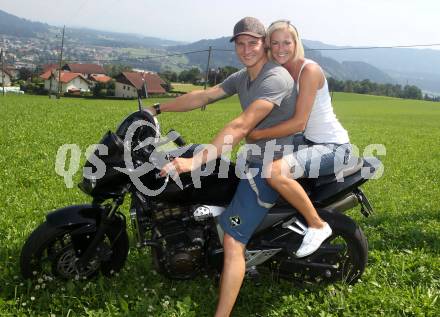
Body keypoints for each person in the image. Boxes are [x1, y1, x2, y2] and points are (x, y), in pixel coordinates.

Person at [147, 17, 297, 317]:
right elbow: (204, 95)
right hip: (253, 158)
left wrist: (196, 160)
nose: (245, 49)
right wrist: (156, 109)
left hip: (271, 166)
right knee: (208, 189)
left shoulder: (275, 78)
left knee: (232, 241)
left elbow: (241, 125)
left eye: (252, 43)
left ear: (264, 44)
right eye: (240, 44)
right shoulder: (243, 77)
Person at [247, 20, 352, 258]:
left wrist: (256, 134)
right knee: (253, 157)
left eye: (287, 42)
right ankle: (271, 221)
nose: (281, 48)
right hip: (308, 141)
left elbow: (298, 123)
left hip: (334, 147)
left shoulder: (309, 70)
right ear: (268, 47)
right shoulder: (280, 71)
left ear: (296, 44)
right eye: (275, 43)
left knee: (274, 172)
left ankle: (317, 224)